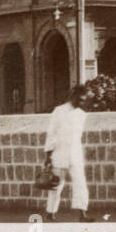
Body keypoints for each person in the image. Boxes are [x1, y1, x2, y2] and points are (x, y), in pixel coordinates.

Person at [43, 85, 92, 222]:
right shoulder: (59, 111)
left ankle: (83, 214)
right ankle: (50, 213)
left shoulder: (82, 114)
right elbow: (51, 132)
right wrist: (48, 155)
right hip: (59, 153)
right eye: (80, 99)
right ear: (73, 97)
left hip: (75, 153)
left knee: (80, 183)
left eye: (84, 100)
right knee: (56, 184)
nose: (82, 103)